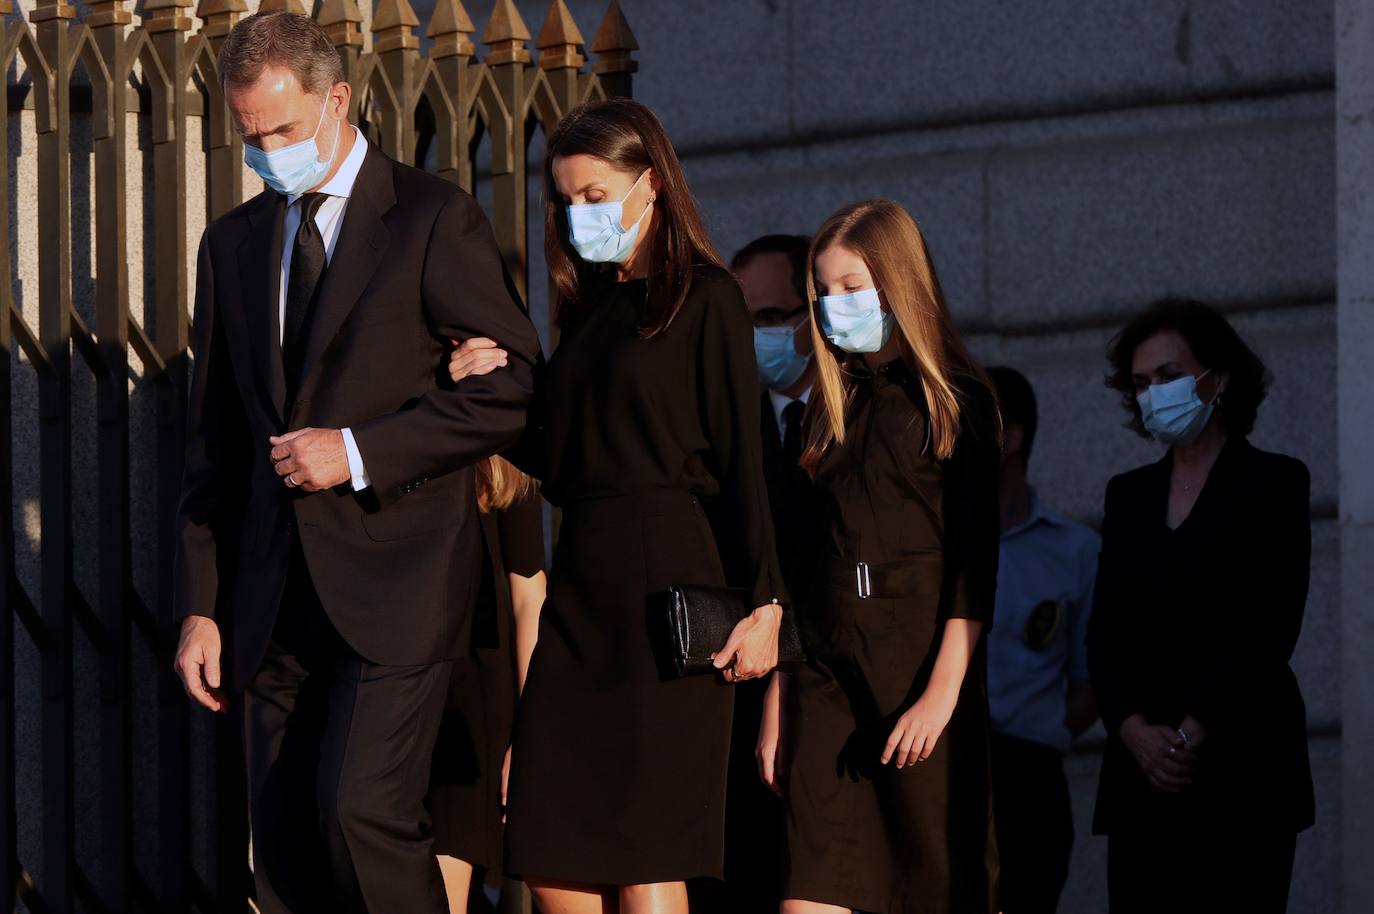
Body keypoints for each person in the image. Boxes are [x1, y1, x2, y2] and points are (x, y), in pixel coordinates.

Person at [169, 11, 540, 913]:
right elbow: (214, 443)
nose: (266, 152)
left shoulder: (432, 219)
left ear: (337, 100)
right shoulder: (233, 244)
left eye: (285, 132)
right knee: (288, 840)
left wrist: (359, 451)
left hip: (401, 579)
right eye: (250, 137)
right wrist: (199, 607)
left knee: (360, 813)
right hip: (272, 596)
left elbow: (510, 388)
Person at [447, 98, 787, 914]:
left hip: (670, 582)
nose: (578, 216)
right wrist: (486, 385)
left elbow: (750, 460)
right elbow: (559, 457)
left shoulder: (706, 299)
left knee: (644, 849)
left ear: (652, 187)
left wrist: (770, 602)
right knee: (551, 845)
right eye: (566, 200)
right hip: (583, 592)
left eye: (596, 195)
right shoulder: (589, 315)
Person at [757, 199, 1002, 914]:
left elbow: (974, 563)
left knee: (934, 885)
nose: (838, 307)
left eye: (854, 287)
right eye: (825, 293)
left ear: (898, 282)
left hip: (918, 673)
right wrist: (779, 700)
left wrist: (942, 693)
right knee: (808, 893)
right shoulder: (821, 414)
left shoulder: (957, 403)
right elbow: (800, 571)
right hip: (826, 682)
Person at [1087, 298, 1314, 914]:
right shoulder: (1129, 495)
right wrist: (1134, 731)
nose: (1153, 393)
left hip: (1244, 770)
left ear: (1218, 378)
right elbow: (1105, 633)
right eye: (1140, 383)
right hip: (1141, 777)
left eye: (1168, 376)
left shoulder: (1275, 482)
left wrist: (1188, 736)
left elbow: (1269, 627)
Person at [702, 234, 815, 914]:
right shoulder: (721, 428)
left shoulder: (855, 423)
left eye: (771, 318)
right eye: (742, 322)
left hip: (830, 698)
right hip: (732, 703)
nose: (756, 338)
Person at [985, 365, 1099, 914]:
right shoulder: (931, 548)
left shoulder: (1076, 550)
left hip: (1032, 777)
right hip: (949, 770)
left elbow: (1091, 676)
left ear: (1011, 437)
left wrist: (1046, 728)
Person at [429, 456, 546, 913]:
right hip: (389, 674)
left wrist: (528, 727)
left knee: (444, 880)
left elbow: (528, 596)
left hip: (470, 694)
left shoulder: (503, 456)